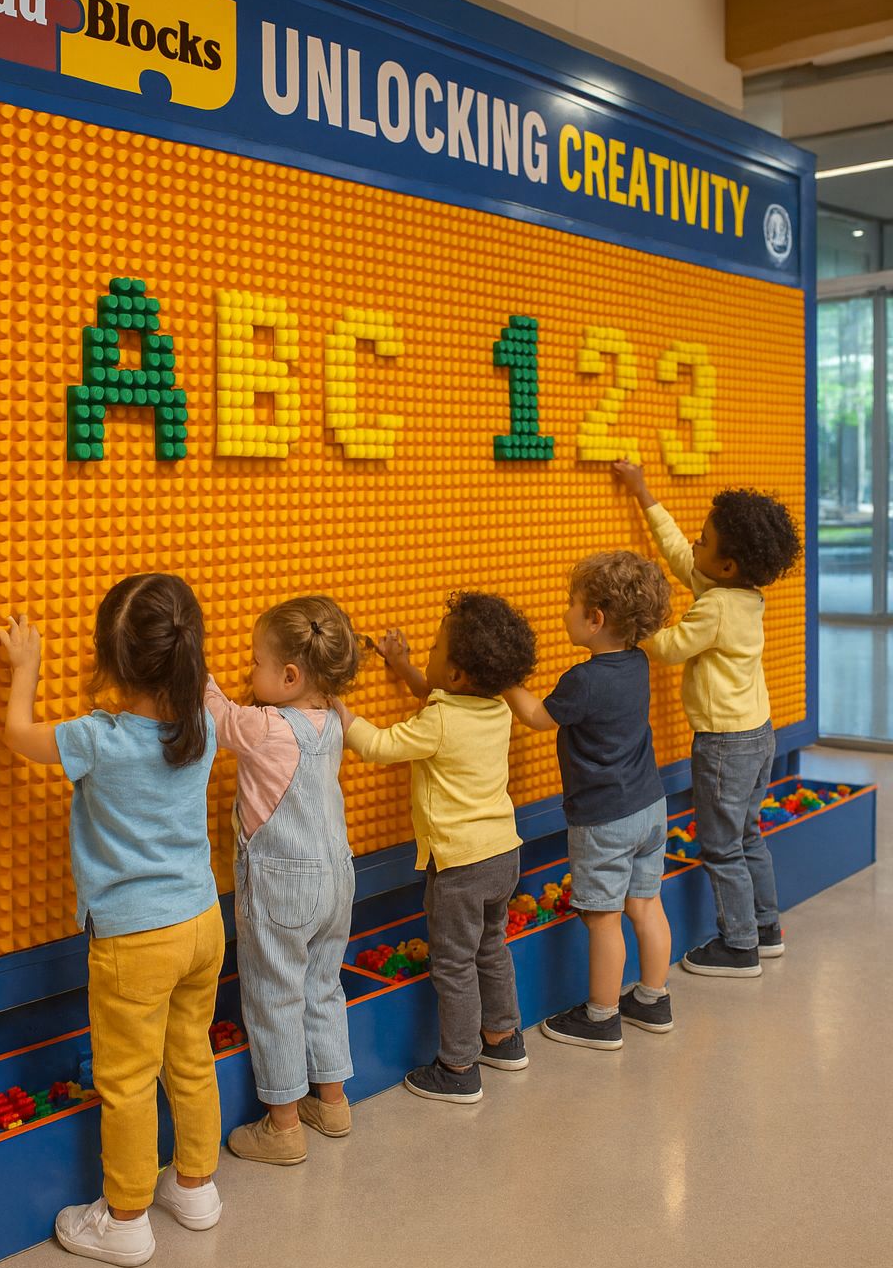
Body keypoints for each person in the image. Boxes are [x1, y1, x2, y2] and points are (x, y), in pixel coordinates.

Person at [0, 575, 223, 1267]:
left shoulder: (97, 739)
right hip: (202, 923)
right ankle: (196, 1187)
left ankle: (125, 1218)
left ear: (110, 662)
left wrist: (26, 668)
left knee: (126, 1080)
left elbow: (18, 736)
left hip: (135, 940)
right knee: (190, 1057)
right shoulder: (204, 726)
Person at [336, 591, 537, 1104]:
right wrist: (403, 666)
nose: (426, 652)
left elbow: (379, 745)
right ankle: (504, 1038)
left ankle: (458, 1067)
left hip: (461, 865)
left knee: (453, 964)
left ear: (457, 674)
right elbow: (434, 694)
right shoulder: (495, 707)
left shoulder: (440, 721)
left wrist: (339, 709)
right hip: (503, 852)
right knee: (490, 947)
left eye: (433, 648)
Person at [612, 460, 802, 976]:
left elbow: (669, 648)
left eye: (704, 540)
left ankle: (739, 946)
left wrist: (628, 625)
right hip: (758, 735)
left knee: (721, 847)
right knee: (748, 835)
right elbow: (679, 553)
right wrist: (643, 495)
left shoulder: (715, 608)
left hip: (725, 745)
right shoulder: (743, 596)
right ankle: (766, 928)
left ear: (727, 566)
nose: (694, 544)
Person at [207, 596, 360, 1166]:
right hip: (337, 879)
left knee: (275, 997)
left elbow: (217, 715)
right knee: (323, 986)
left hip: (282, 886)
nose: (249, 671)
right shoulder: (335, 721)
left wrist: (196, 666)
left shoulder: (265, 727)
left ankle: (283, 1125)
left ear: (290, 676)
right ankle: (333, 1103)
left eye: (256, 662)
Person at [505, 551, 674, 1049]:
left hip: (605, 819)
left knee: (602, 918)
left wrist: (505, 679)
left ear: (595, 619)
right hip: (650, 805)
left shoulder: (584, 679)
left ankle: (601, 1017)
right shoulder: (638, 663)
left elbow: (536, 717)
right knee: (645, 904)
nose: (565, 611)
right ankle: (653, 999)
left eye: (570, 603)